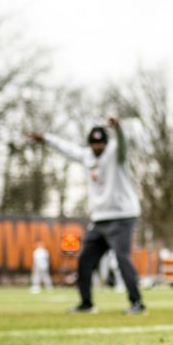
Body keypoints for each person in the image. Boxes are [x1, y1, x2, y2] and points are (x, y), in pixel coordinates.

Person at [31, 119, 146, 314]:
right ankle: (86, 303)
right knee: (85, 260)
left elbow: (124, 142)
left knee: (121, 258)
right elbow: (66, 148)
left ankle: (137, 303)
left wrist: (118, 128)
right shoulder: (87, 156)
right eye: (94, 143)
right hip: (99, 219)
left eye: (100, 143)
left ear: (106, 143)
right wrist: (46, 138)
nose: (97, 147)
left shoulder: (115, 153)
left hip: (122, 216)